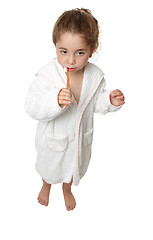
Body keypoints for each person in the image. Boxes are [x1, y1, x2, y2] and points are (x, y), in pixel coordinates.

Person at [24, 8, 125, 211]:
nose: (70, 60)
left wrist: (109, 100)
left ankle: (67, 189)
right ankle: (46, 186)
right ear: (55, 47)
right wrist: (54, 100)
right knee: (49, 167)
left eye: (80, 53)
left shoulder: (95, 77)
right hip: (54, 140)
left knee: (73, 167)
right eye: (64, 52)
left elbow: (95, 102)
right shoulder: (47, 76)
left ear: (92, 49)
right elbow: (31, 106)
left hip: (79, 140)